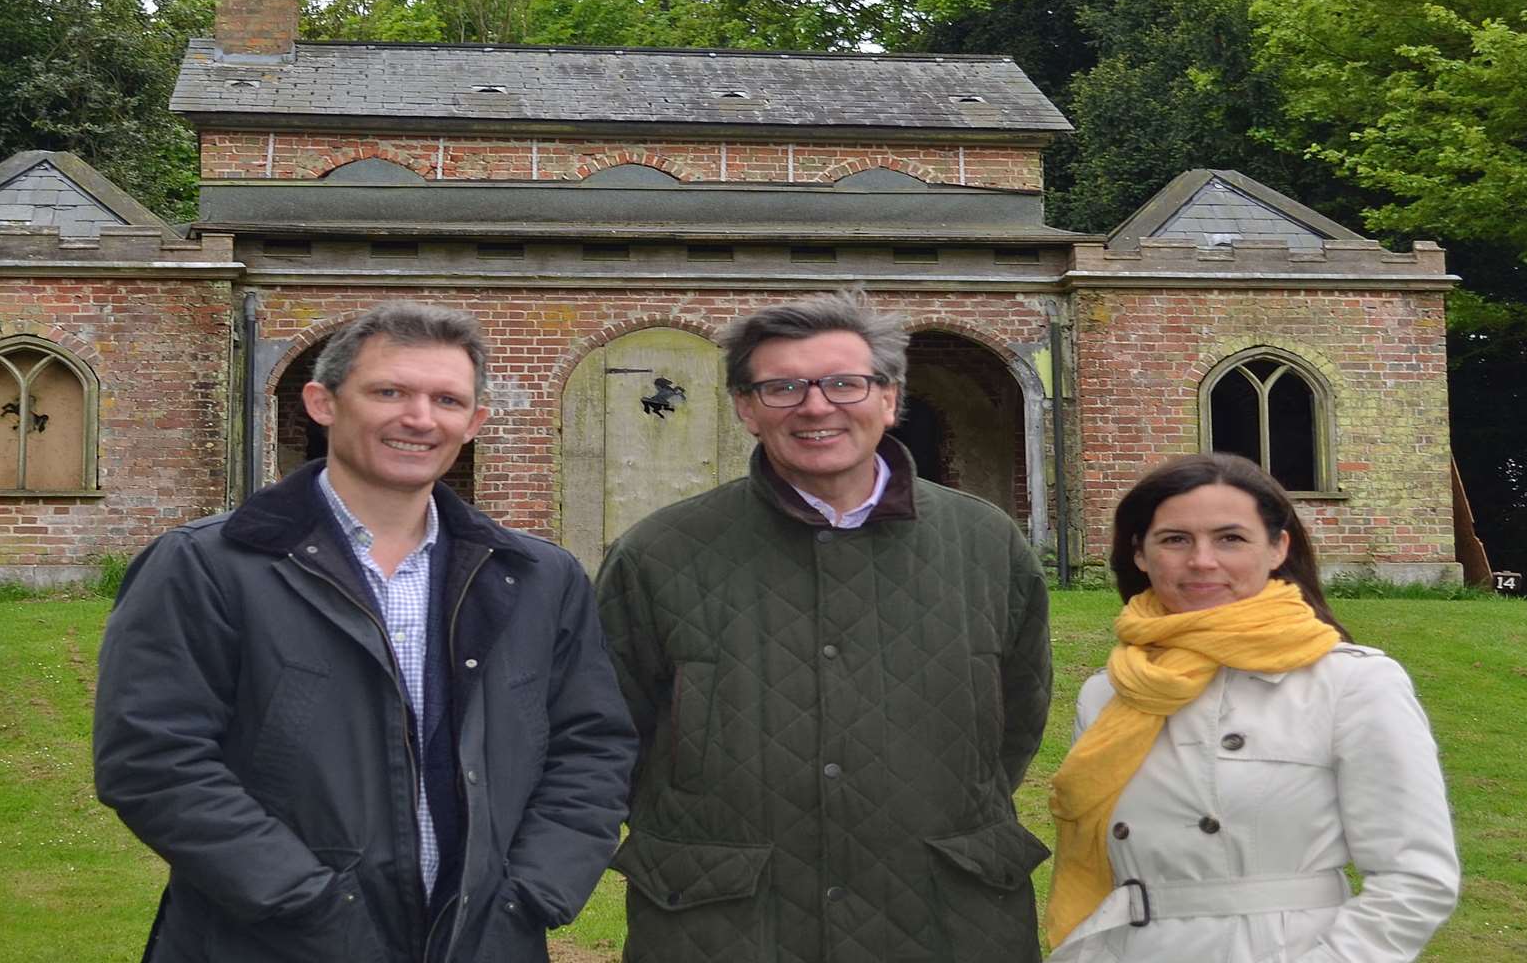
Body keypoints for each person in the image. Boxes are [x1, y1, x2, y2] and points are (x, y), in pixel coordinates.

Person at [93, 302, 635, 963]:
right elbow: (153, 759)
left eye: (446, 399)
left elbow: (593, 745)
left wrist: (532, 891)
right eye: (389, 392)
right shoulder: (210, 565)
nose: (419, 418)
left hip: (485, 939)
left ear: (475, 422)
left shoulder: (537, 578)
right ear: (323, 403)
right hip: (274, 942)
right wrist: (307, 903)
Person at [597, 292, 1054, 963]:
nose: (816, 407)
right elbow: (613, 731)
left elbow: (1016, 720)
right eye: (782, 387)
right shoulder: (658, 553)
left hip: (947, 919)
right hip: (723, 927)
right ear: (746, 408)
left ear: (890, 399)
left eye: (845, 383)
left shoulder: (986, 542)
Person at [1045, 452, 1460, 962]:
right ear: (1139, 553)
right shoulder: (1108, 692)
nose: (1202, 561)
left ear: (1277, 548)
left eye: (1230, 538)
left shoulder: (1352, 683)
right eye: (1175, 540)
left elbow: (1415, 879)